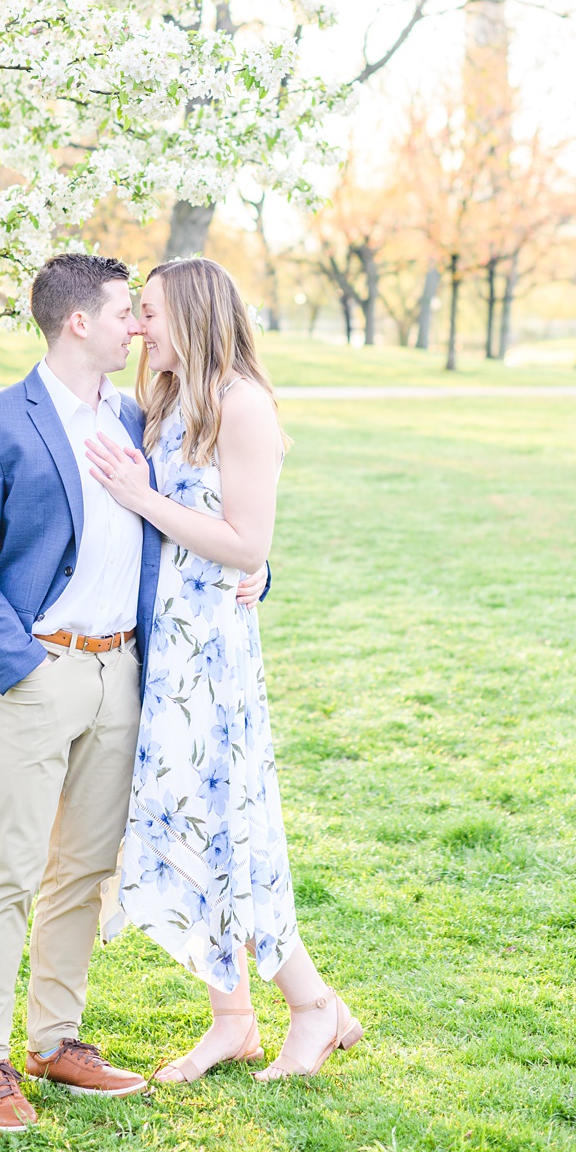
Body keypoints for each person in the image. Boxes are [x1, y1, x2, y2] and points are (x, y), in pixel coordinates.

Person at [83, 256, 362, 1082]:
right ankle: (232, 1020)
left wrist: (145, 500)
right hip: (167, 655)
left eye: (153, 312)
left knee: (237, 830)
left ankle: (312, 1009)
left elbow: (247, 545)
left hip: (214, 657)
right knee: (186, 825)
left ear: (198, 316)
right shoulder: (169, 403)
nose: (140, 326)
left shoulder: (242, 405)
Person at [0, 252, 164, 1133]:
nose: (135, 327)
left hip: (122, 674)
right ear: (77, 323)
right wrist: (19, 665)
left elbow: (185, 519)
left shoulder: (140, 418)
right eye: (122, 314)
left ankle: (56, 1042)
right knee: (9, 872)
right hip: (37, 674)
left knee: (84, 873)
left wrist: (253, 573)